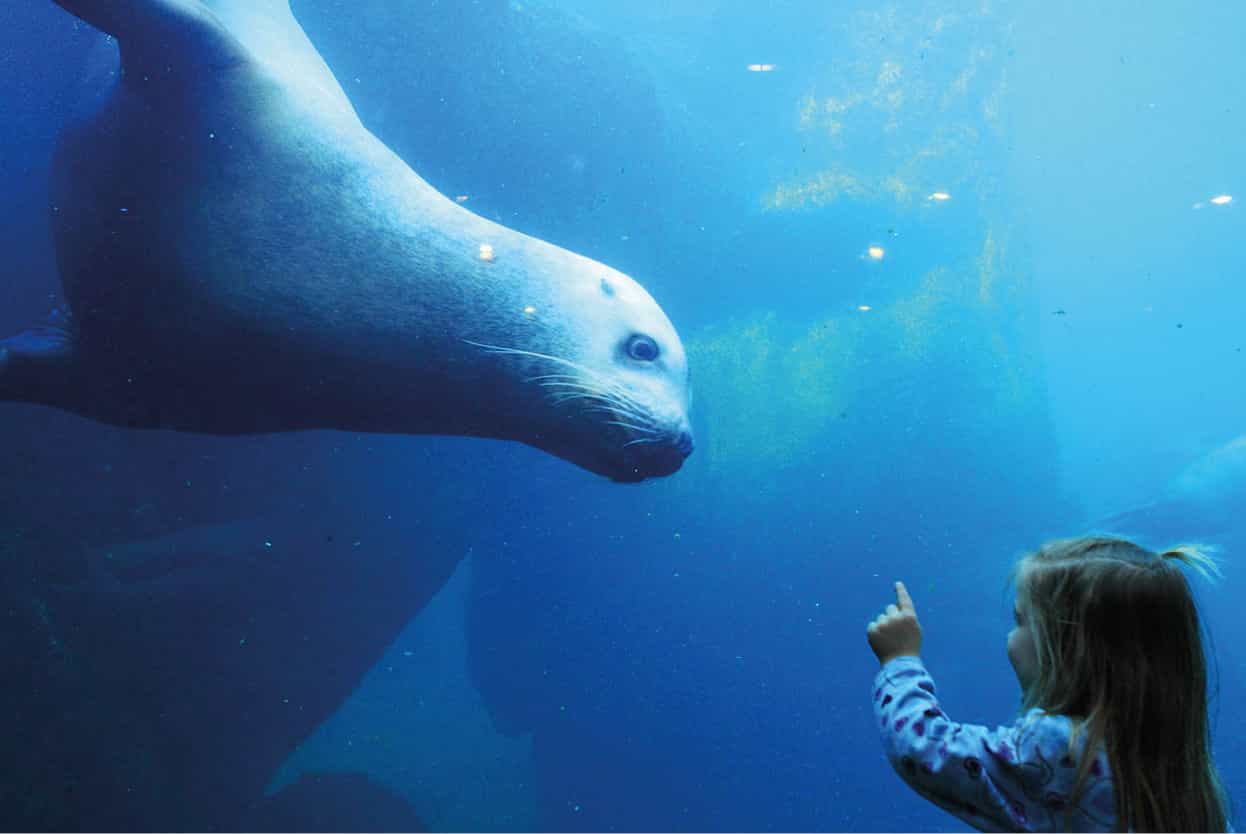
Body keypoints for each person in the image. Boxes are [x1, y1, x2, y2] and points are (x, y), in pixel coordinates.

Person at [866, 535, 1230, 832]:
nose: (1011, 635)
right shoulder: (1183, 773)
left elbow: (924, 751)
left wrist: (899, 661)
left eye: (1020, 620)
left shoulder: (1061, 750)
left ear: (1068, 650)